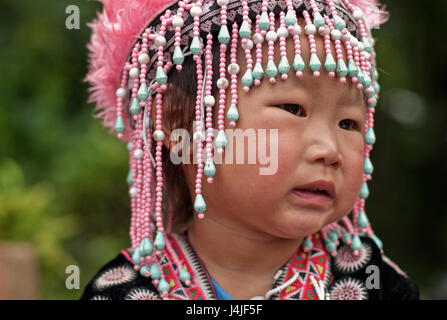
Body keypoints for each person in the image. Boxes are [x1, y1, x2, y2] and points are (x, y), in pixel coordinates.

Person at [80, 0, 419, 300]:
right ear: (177, 121)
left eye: (349, 123)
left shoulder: (377, 286)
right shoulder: (122, 291)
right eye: (292, 107)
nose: (330, 150)